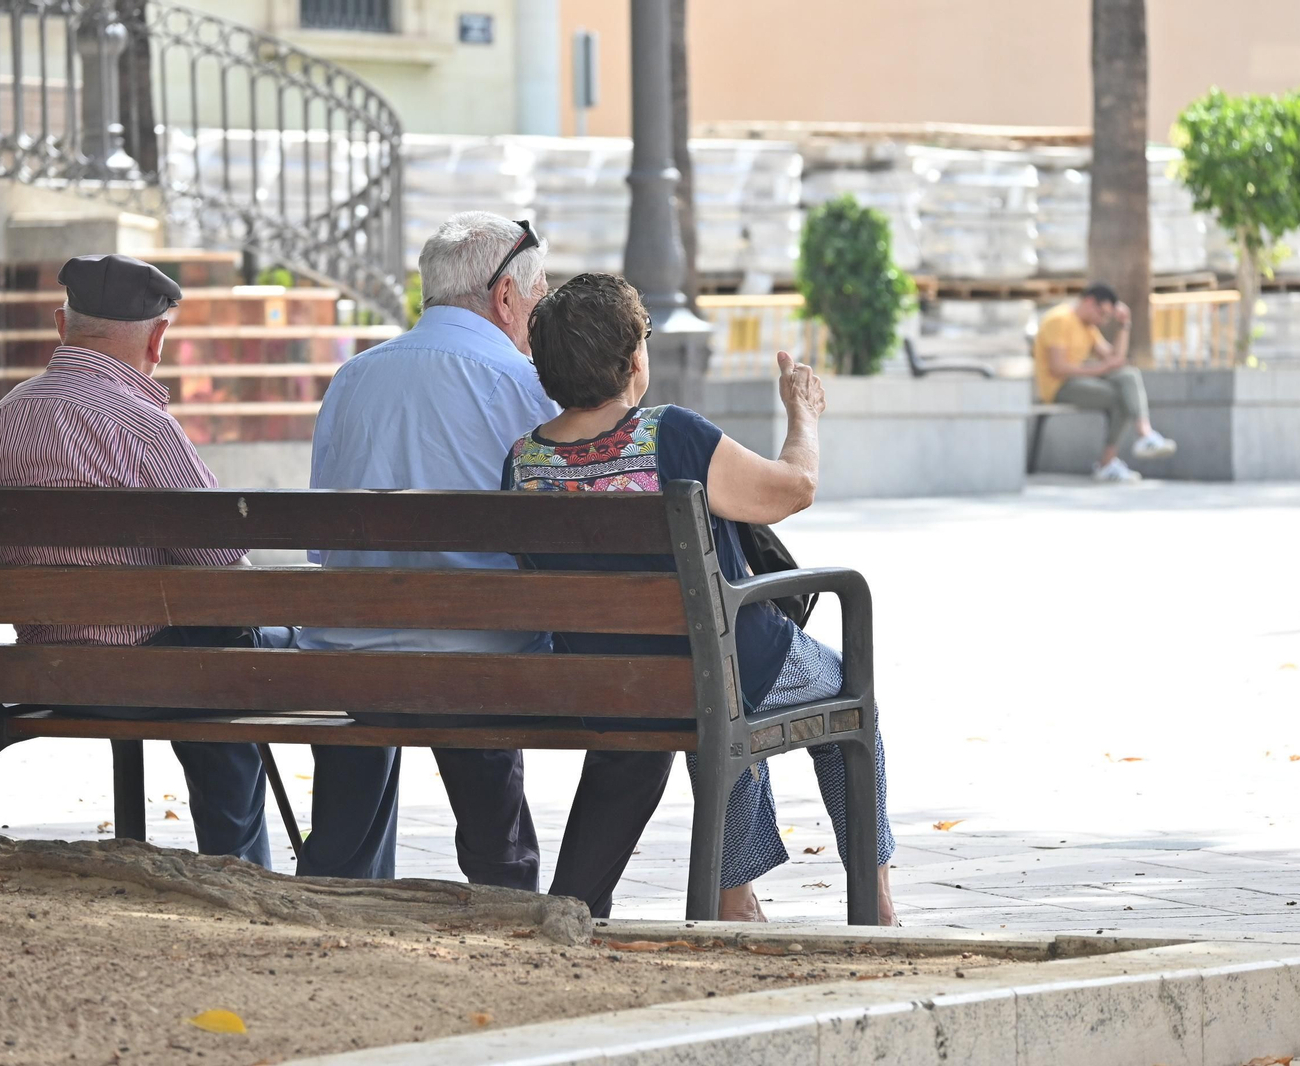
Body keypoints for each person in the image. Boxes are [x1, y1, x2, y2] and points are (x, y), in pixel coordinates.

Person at [502, 272, 898, 925]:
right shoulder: (670, 436)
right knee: (842, 701)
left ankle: (734, 900)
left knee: (720, 701)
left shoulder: (523, 462)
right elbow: (794, 486)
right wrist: (803, 410)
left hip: (612, 687)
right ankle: (875, 902)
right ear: (635, 361)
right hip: (720, 670)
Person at [0, 254, 282, 866]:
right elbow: (222, 556)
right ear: (158, 337)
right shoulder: (142, 424)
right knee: (293, 654)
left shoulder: (5, 418)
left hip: (37, 668)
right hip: (142, 671)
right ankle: (245, 872)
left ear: (63, 326)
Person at [293, 213, 560, 886]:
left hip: (348, 652)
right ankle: (502, 877)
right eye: (538, 294)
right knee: (476, 642)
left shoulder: (352, 378)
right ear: (506, 297)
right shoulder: (527, 386)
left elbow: (323, 546)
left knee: (375, 648)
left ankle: (338, 874)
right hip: (478, 656)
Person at [1032, 283, 1178, 482]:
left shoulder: (1088, 328)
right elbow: (1058, 368)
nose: (1103, 320)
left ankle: (1146, 434)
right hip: (1058, 386)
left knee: (1128, 375)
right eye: (1102, 314)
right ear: (1090, 301)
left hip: (1080, 382)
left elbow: (1116, 358)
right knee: (1120, 398)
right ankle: (1107, 463)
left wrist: (1124, 324)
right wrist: (1100, 369)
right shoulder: (1060, 319)